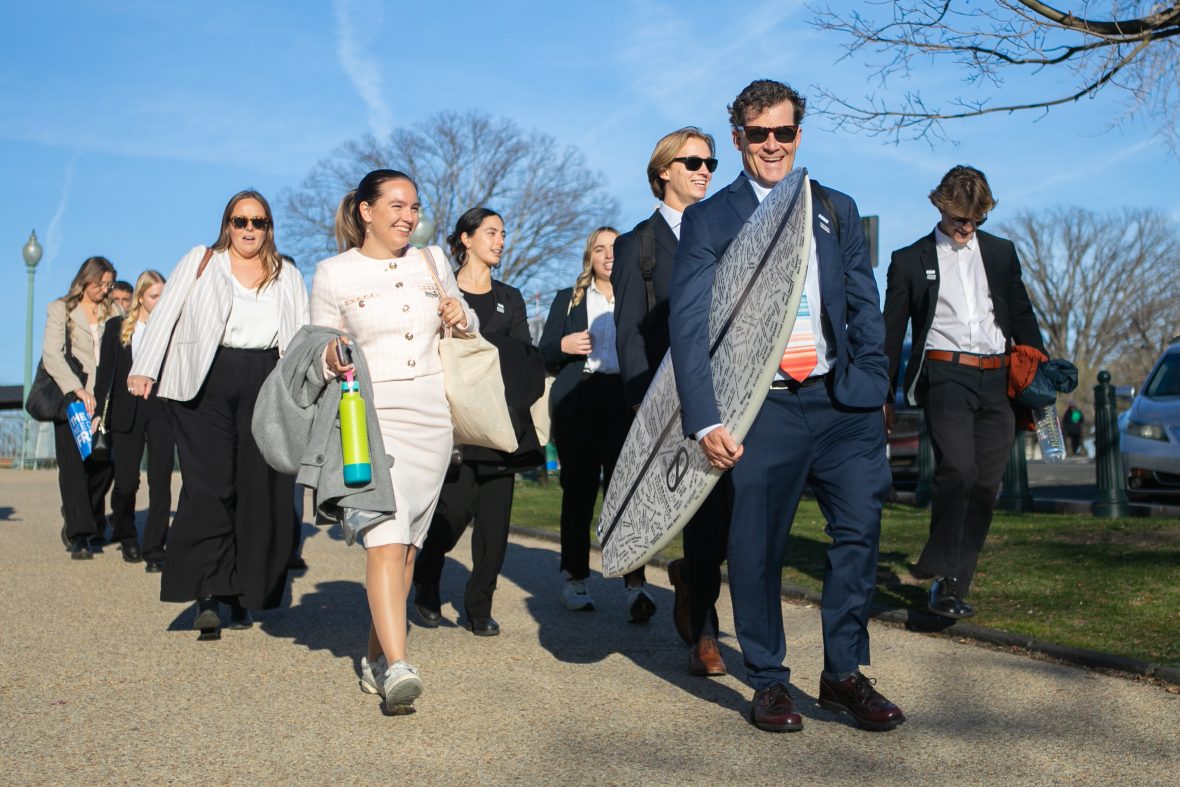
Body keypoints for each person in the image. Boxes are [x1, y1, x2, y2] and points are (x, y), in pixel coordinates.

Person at [669, 79, 905, 733]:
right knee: (756, 547)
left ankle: (843, 674)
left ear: (799, 134)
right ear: (738, 135)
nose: (772, 144)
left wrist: (875, 384)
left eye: (784, 132)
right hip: (761, 408)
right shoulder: (709, 219)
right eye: (757, 133)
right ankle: (770, 679)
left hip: (842, 405)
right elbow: (688, 325)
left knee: (859, 532)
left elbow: (864, 302)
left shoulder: (835, 207)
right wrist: (706, 416)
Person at [311, 169, 476, 714]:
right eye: (397, 206)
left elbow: (467, 329)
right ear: (366, 210)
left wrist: (460, 314)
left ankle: (375, 656)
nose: (408, 216)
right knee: (384, 537)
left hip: (431, 420)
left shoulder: (432, 262)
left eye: (414, 207)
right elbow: (313, 349)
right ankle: (401, 667)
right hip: (372, 420)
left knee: (406, 548)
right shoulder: (333, 273)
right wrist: (330, 358)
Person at [128, 190, 309, 639]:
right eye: (240, 220)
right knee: (210, 486)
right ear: (227, 224)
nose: (249, 229)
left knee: (257, 489)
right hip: (204, 380)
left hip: (266, 378)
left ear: (269, 227)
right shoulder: (201, 260)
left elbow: (301, 333)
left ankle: (240, 592)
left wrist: (307, 390)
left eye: (258, 222)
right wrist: (145, 367)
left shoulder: (286, 273)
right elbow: (166, 313)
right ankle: (207, 590)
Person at [884, 165, 1046, 620]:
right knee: (958, 466)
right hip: (945, 377)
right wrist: (882, 394)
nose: (966, 228)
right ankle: (939, 571)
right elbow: (891, 335)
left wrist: (1040, 373)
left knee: (985, 484)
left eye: (976, 220)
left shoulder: (1001, 253)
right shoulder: (909, 260)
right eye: (959, 218)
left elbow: (1021, 316)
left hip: (997, 380)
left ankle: (952, 586)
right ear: (940, 207)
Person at [612, 127, 731, 676]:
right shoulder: (636, 244)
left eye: (711, 161)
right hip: (670, 404)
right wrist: (642, 407)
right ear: (664, 170)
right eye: (693, 162)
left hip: (734, 391)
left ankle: (689, 577)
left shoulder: (732, 228)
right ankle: (704, 633)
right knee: (703, 514)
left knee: (733, 515)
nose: (705, 170)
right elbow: (631, 331)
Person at [413, 208, 545, 637]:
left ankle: (478, 607)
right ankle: (427, 584)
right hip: (454, 429)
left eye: (503, 234)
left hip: (500, 428)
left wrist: (493, 351)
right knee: (449, 519)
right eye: (491, 232)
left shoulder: (512, 296)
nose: (501, 241)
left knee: (494, 530)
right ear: (466, 239)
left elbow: (526, 355)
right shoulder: (440, 292)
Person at [540, 227, 655, 621]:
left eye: (615, 248)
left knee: (628, 496)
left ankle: (635, 586)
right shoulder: (567, 300)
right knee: (579, 495)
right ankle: (575, 579)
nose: (608, 255)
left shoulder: (637, 297)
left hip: (626, 403)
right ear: (589, 257)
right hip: (581, 402)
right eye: (600, 249)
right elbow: (542, 355)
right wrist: (562, 346)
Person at [94, 270, 173, 572]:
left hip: (161, 410)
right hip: (127, 412)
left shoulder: (169, 328)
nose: (160, 301)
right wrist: (99, 414)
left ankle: (155, 549)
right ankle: (126, 532)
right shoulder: (116, 328)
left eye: (164, 295)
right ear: (140, 297)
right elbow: (105, 377)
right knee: (126, 481)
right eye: (155, 296)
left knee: (161, 481)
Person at [43, 256, 120, 560]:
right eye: (100, 283)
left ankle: (85, 518)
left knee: (104, 464)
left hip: (106, 398)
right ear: (85, 280)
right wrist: (76, 388)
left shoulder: (115, 311)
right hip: (71, 398)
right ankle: (81, 534)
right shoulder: (60, 309)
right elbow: (52, 355)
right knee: (74, 469)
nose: (105, 289)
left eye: (109, 284)